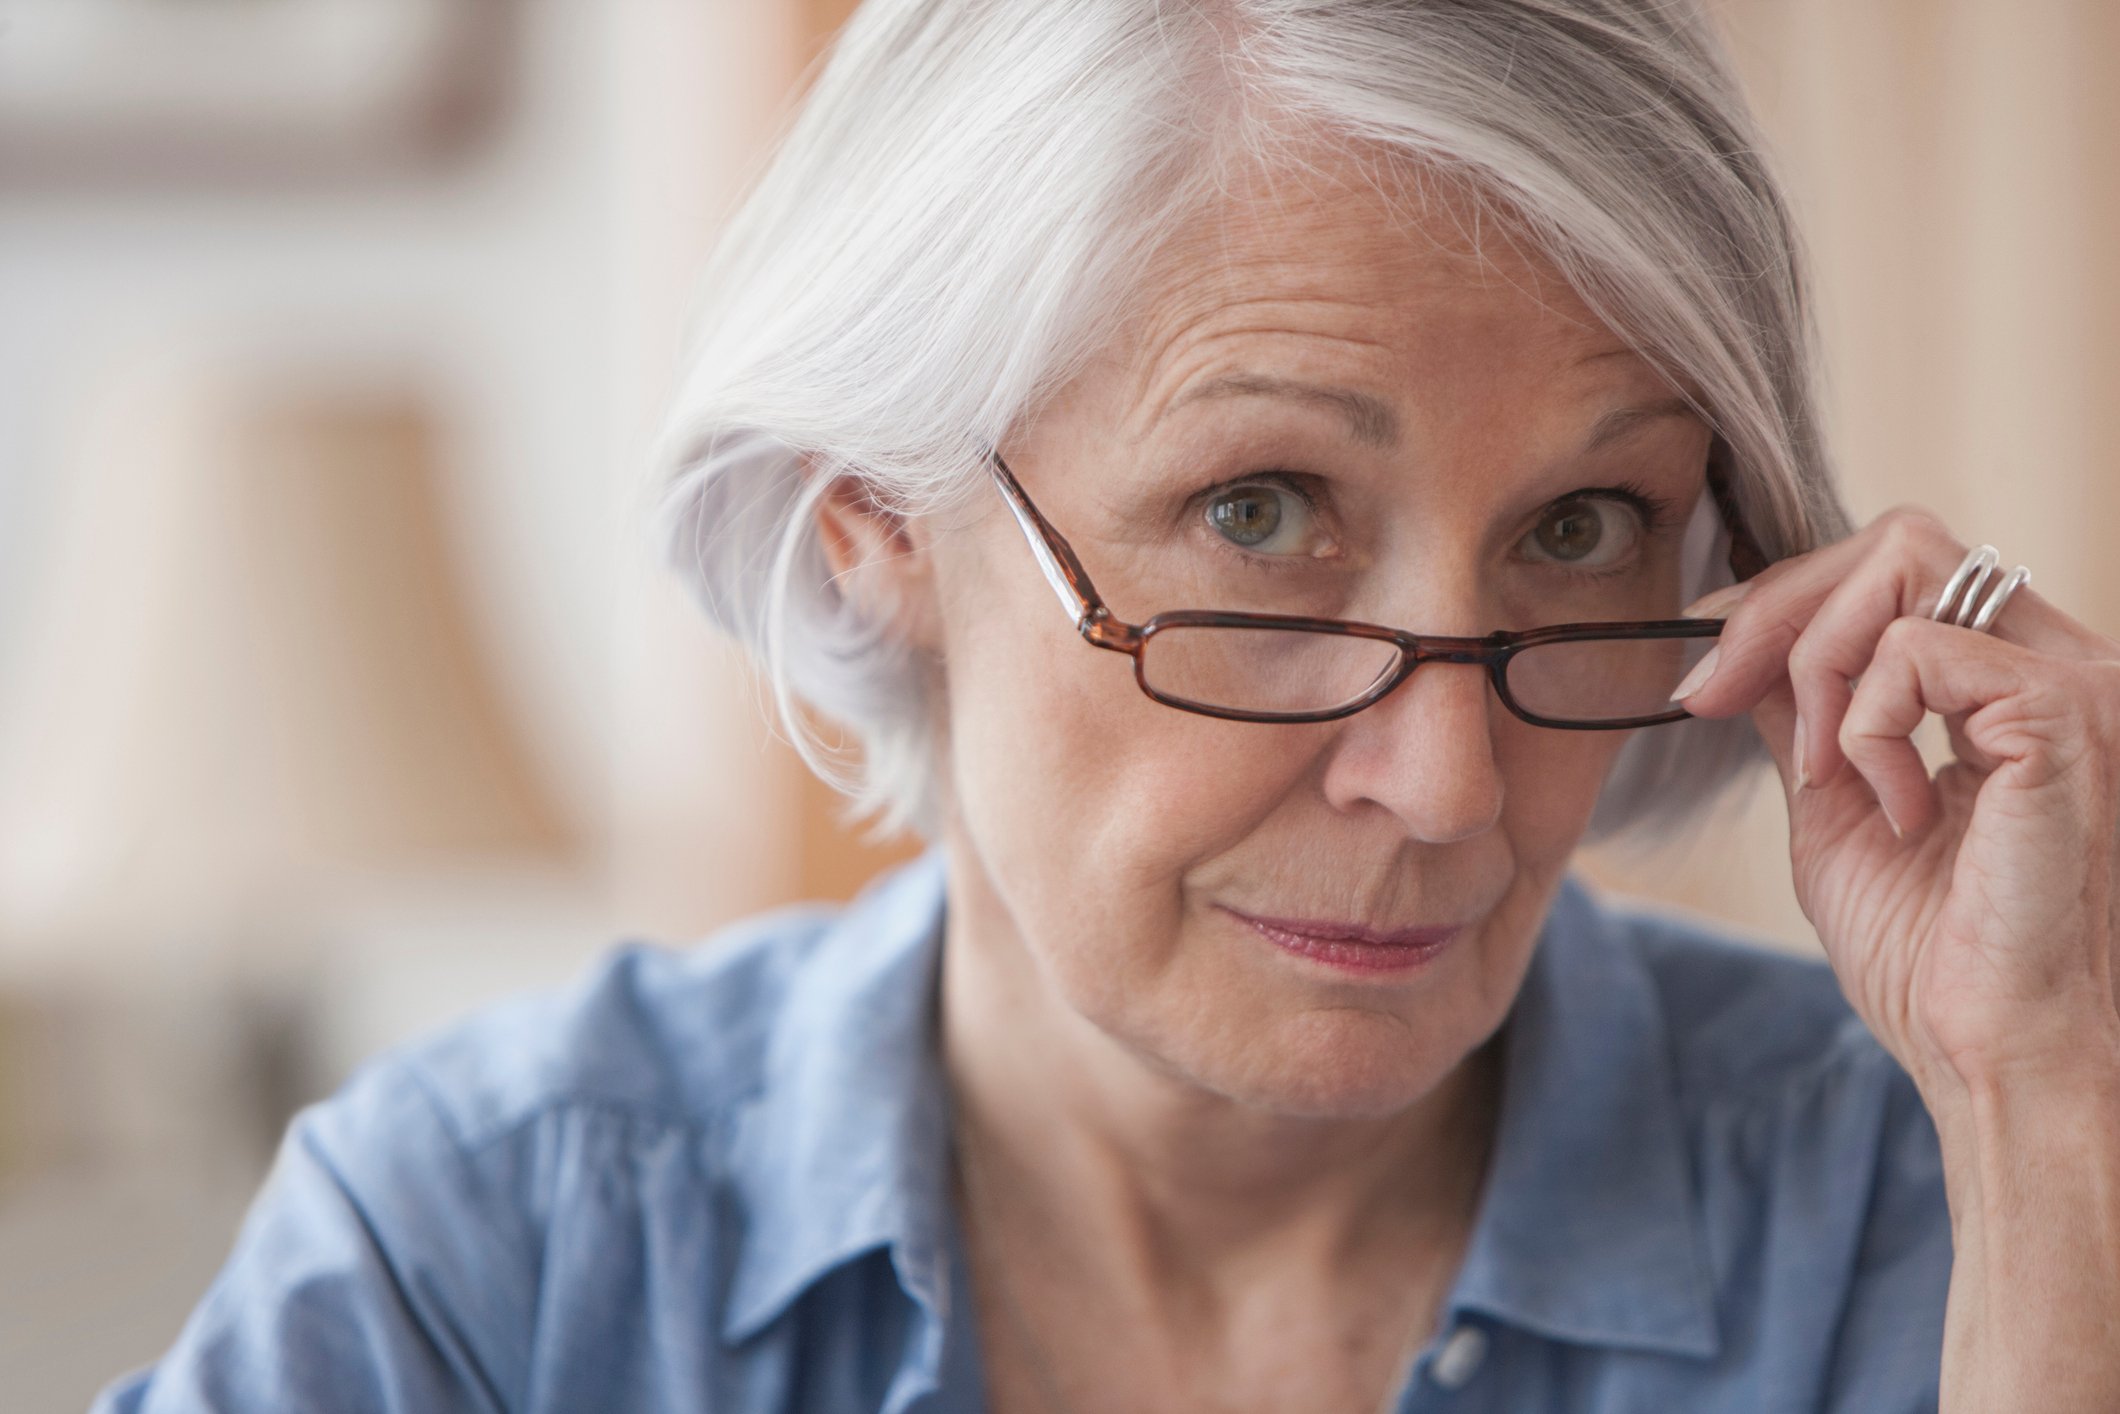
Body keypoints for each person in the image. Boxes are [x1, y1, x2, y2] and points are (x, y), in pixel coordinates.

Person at [97, 1, 2120, 1411]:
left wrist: (2052, 1112)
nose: (1446, 784)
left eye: (1583, 522)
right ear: (870, 522)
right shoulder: (492, 1255)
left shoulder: (1930, 1198)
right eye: (1260, 511)